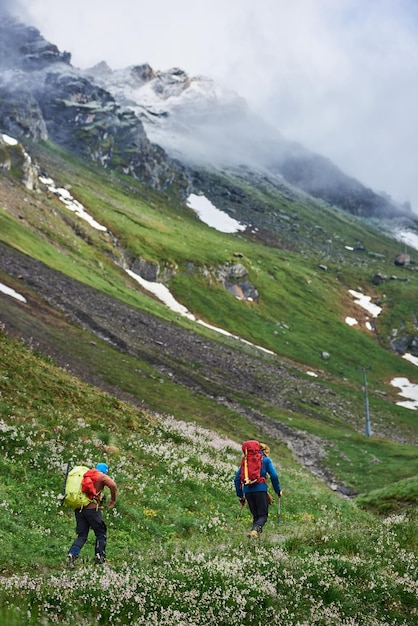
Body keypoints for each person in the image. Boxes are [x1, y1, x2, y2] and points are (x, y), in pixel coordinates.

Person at [66, 462, 117, 568]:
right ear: (105, 471)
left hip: (79, 509)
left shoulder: (86, 474)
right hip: (92, 510)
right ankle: (100, 557)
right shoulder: (101, 476)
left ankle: (72, 554)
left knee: (82, 535)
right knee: (101, 533)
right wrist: (113, 499)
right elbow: (112, 485)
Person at [234, 442, 282, 537]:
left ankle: (255, 538)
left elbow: (236, 479)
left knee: (256, 516)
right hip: (260, 490)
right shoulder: (265, 460)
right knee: (263, 516)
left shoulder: (245, 461)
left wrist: (241, 496)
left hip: (248, 491)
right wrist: (278, 490)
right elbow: (274, 476)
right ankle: (255, 530)